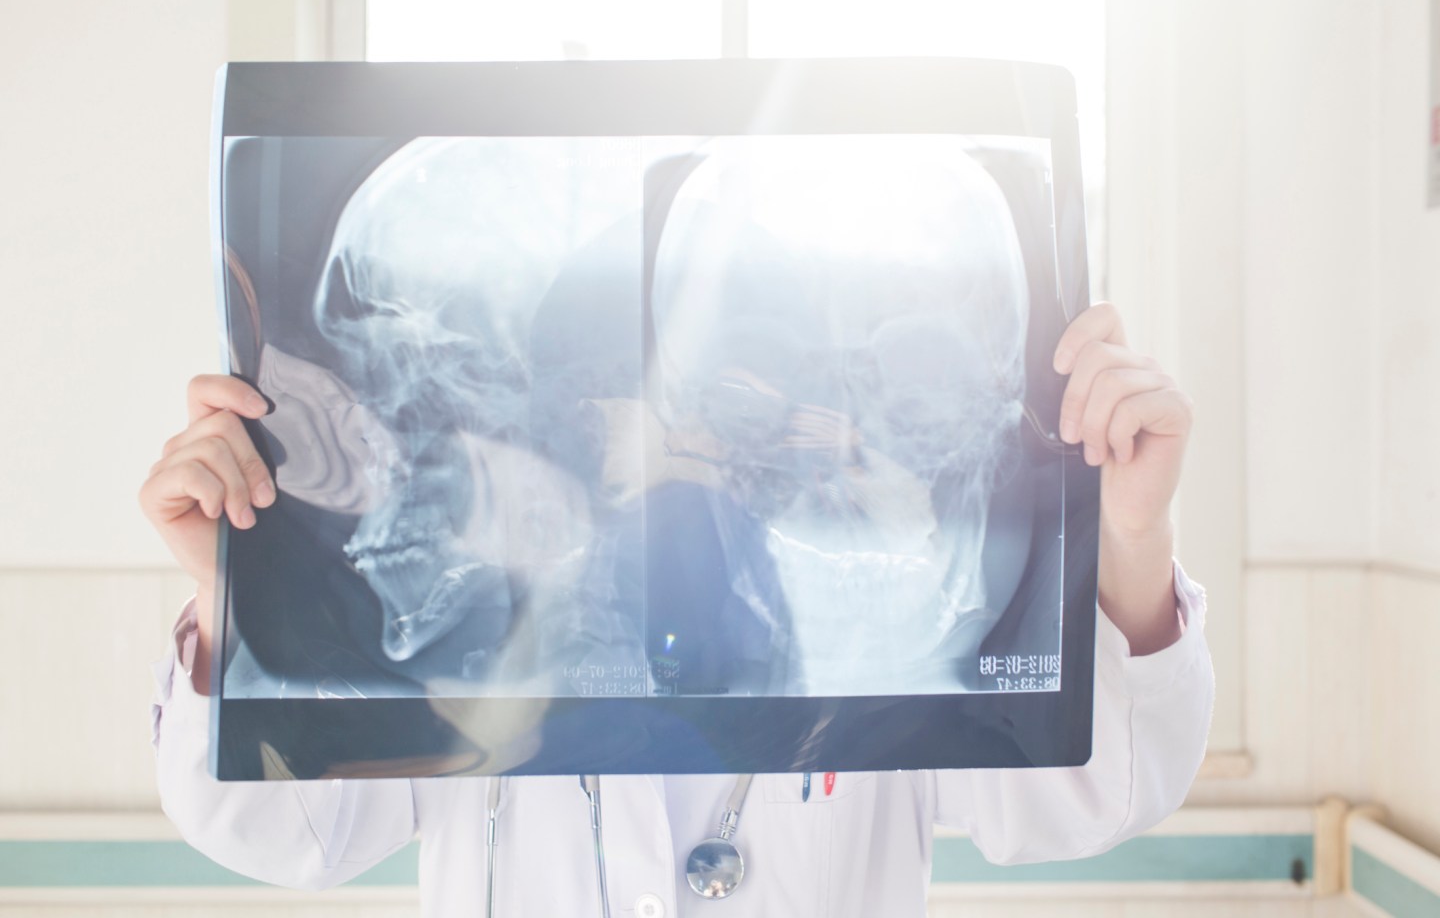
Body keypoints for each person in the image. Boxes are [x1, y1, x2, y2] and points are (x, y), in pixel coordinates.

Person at [142, 302, 1212, 916]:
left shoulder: (882, 617)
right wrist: (229, 596)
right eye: (634, 417)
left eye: (713, 419)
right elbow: (282, 829)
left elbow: (1088, 797)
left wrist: (1127, 539)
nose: (672, 456)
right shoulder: (478, 633)